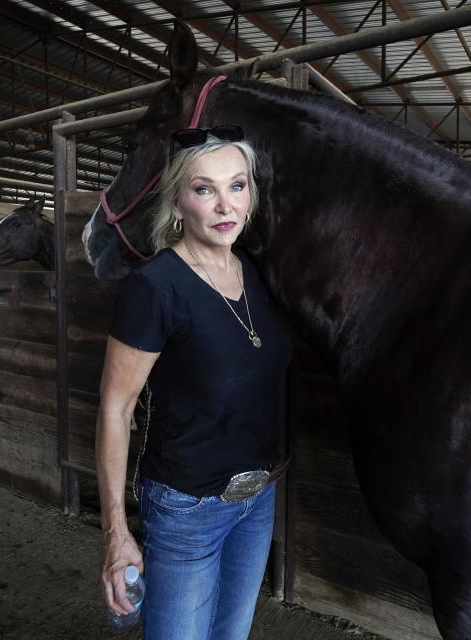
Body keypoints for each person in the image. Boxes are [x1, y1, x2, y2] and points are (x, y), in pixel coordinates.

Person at [96, 126, 293, 640]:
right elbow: (116, 410)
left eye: (238, 185)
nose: (225, 204)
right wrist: (116, 533)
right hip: (187, 507)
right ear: (179, 202)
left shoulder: (254, 271)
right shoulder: (154, 287)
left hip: (259, 498)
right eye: (205, 189)